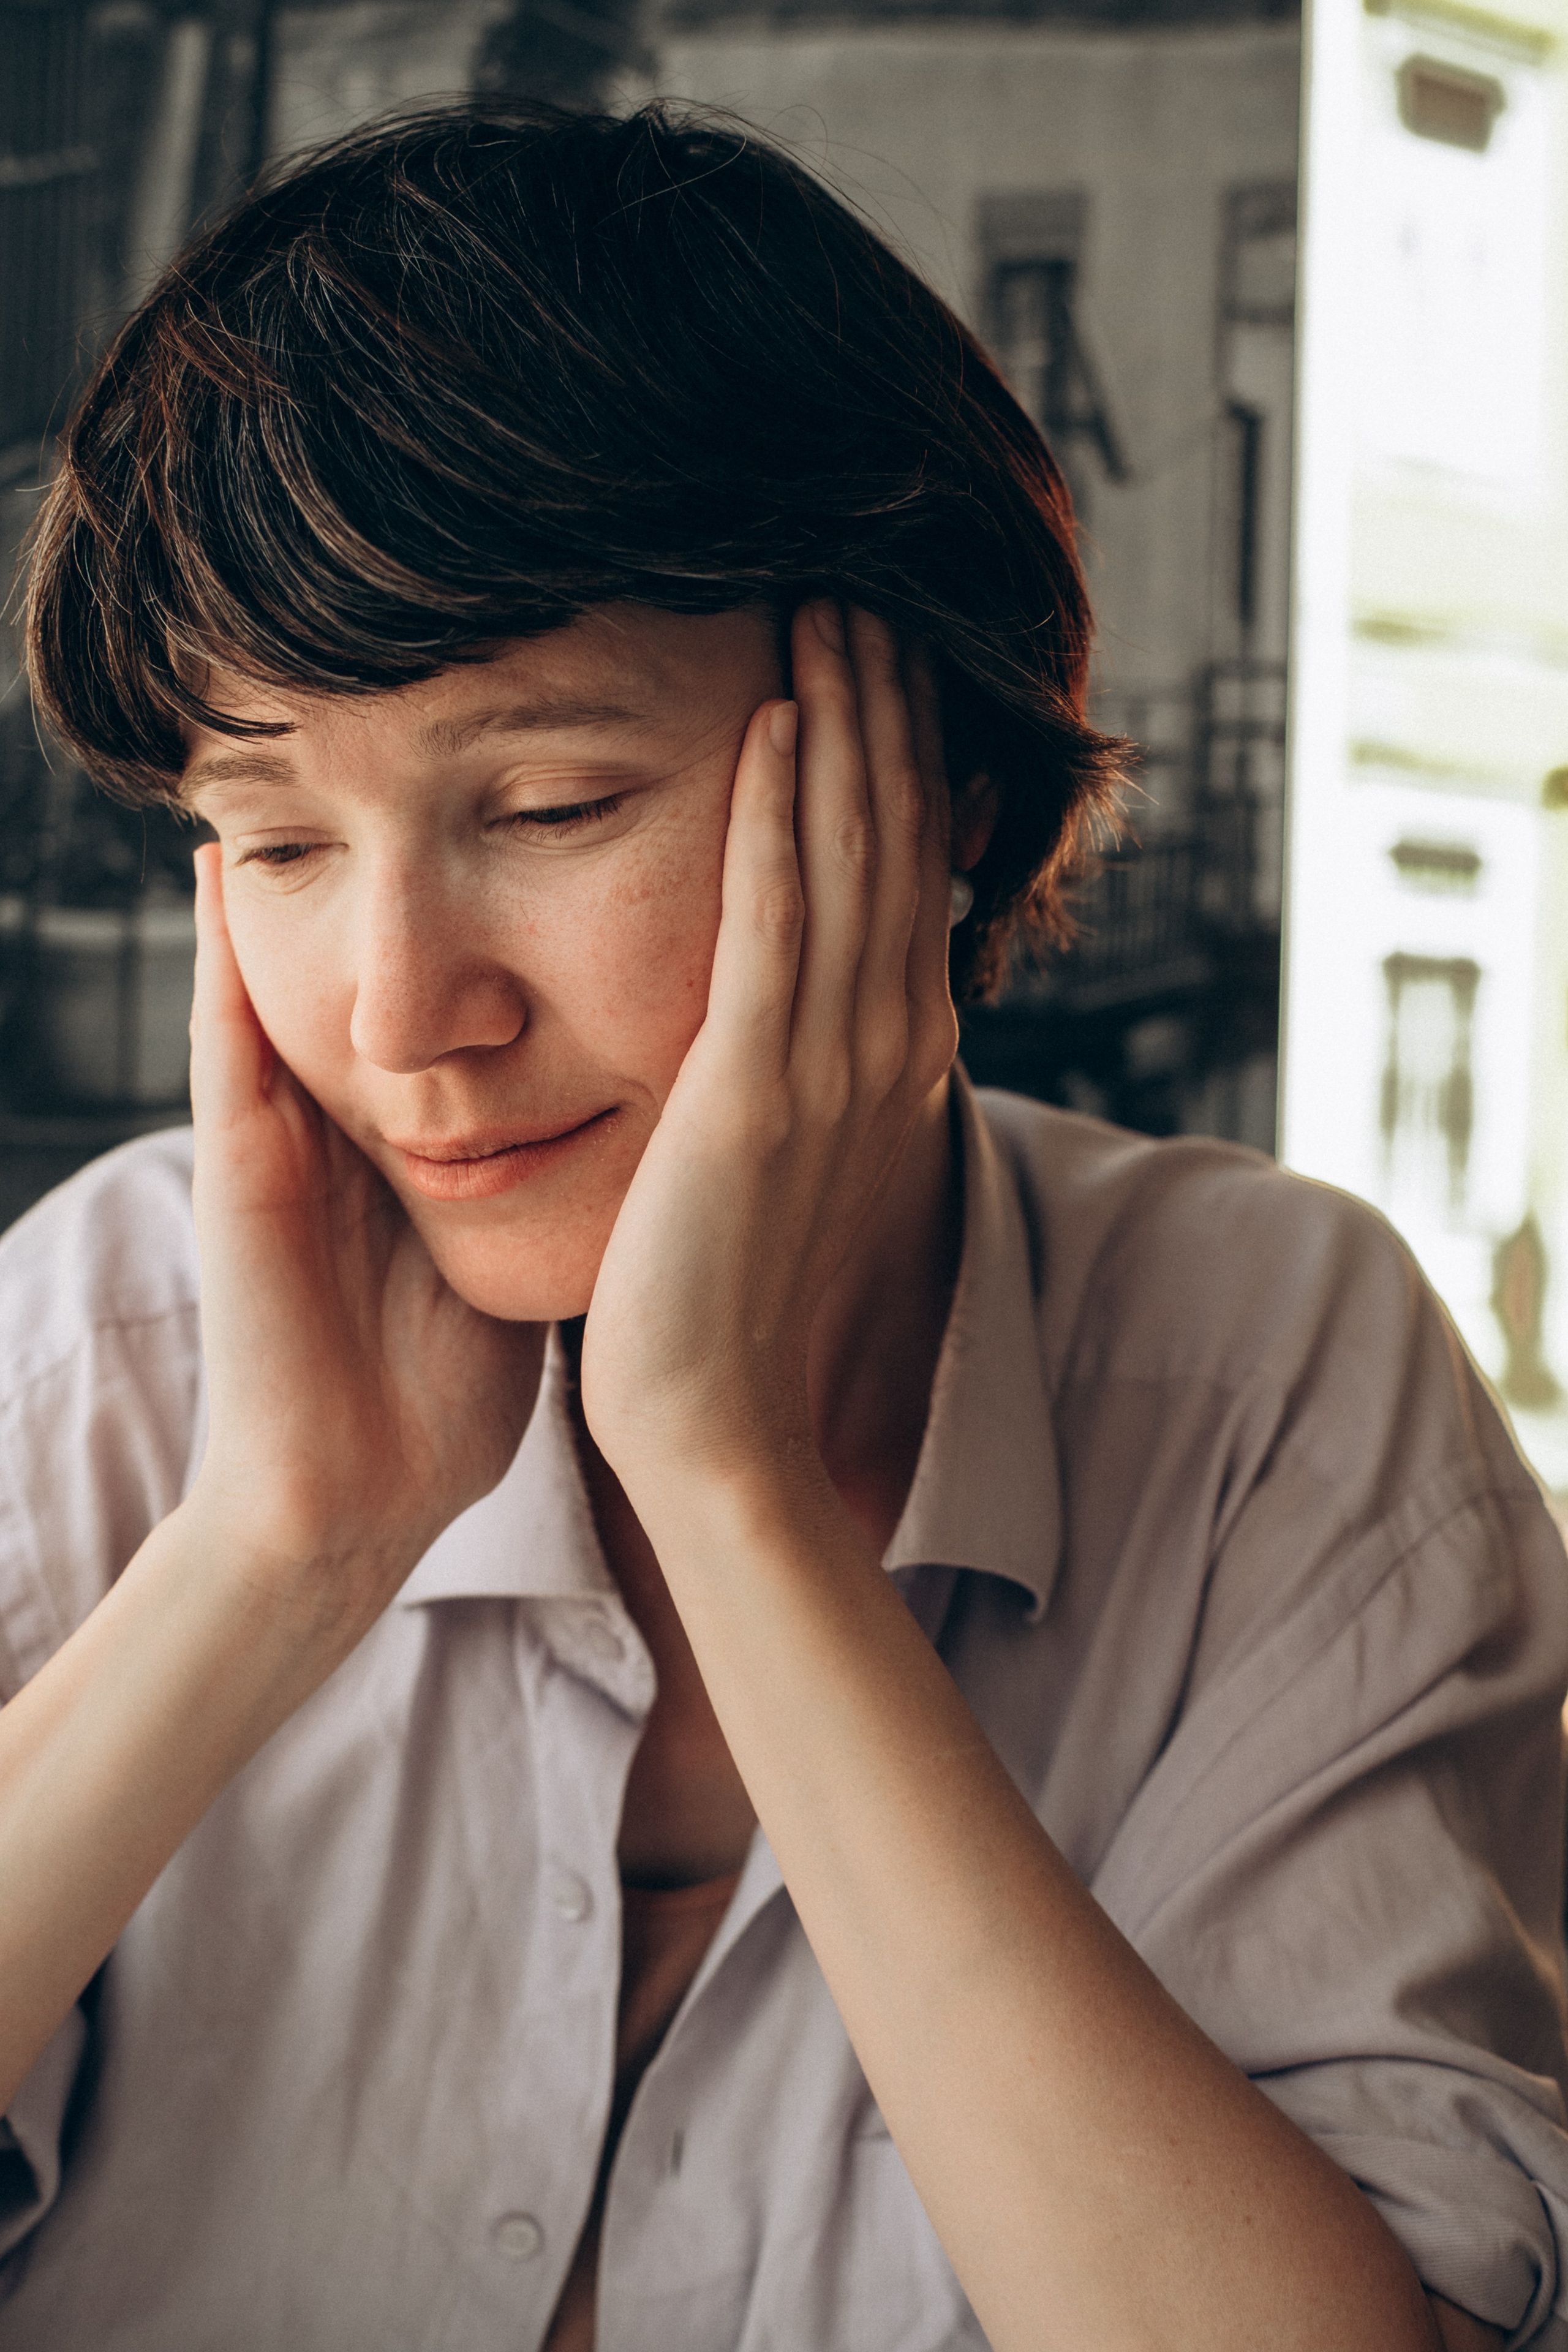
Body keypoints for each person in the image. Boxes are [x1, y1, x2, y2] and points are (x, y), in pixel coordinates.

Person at [0, 101, 1564, 2352]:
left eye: (547, 805)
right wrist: (269, 1552)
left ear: (931, 788)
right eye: (279, 844)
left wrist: (725, 1481)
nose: (404, 1014)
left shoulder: (1269, 1379)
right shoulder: (103, 1353)